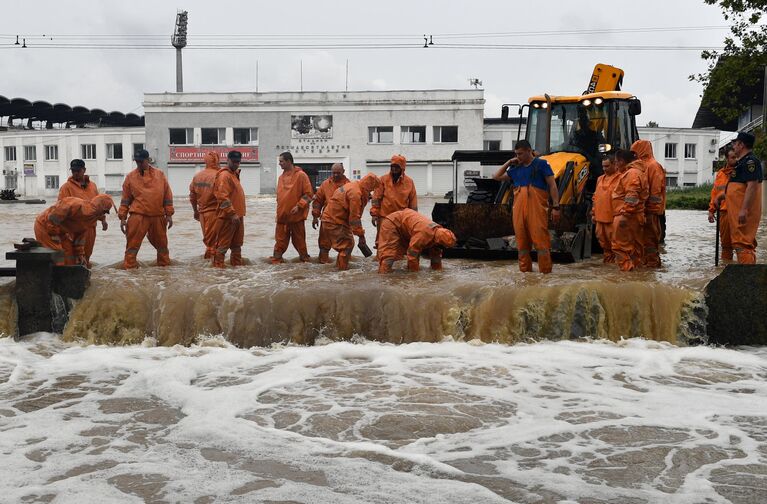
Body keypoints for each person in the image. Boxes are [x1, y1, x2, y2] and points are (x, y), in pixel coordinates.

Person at [492, 140, 560, 273]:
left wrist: (556, 207)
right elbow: (496, 176)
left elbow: (552, 185)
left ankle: (545, 276)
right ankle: (525, 276)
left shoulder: (541, 164)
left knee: (541, 245)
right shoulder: (515, 168)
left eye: (521, 154)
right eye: (516, 154)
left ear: (529, 151)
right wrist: (509, 162)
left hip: (537, 211)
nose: (518, 157)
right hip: (519, 212)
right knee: (522, 246)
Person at [118, 149, 174, 269]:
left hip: (157, 216)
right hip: (138, 216)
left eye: (141, 161)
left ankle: (164, 273)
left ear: (147, 160)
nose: (138, 164)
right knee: (132, 248)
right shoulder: (130, 177)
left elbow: (167, 196)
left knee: (163, 247)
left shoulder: (160, 175)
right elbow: (125, 200)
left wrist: (169, 215)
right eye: (136, 162)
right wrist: (123, 218)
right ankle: (130, 272)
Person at [718, 131, 763, 264]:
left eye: (735, 144)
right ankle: (742, 278)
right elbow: (738, 189)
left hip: (742, 213)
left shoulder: (750, 162)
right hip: (736, 212)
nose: (734, 147)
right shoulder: (742, 163)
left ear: (741, 145)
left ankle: (747, 281)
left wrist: (744, 209)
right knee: (739, 244)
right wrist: (722, 196)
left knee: (742, 244)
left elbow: (752, 186)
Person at [321, 173, 380, 270]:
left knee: (346, 244)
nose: (372, 192)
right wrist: (361, 236)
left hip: (331, 219)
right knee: (346, 246)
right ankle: (341, 271)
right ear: (368, 186)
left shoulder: (353, 186)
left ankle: (338, 267)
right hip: (335, 221)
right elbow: (354, 218)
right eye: (372, 189)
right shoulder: (356, 194)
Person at [34, 195, 115, 266]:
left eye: (106, 212)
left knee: (70, 256)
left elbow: (80, 236)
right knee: (58, 255)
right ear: (99, 206)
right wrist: (54, 234)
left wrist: (79, 254)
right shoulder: (75, 204)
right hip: (44, 226)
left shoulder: (91, 219)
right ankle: (55, 279)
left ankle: (68, 277)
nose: (104, 214)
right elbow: (53, 218)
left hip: (60, 231)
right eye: (104, 211)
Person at [57, 159, 107, 267]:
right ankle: (74, 277)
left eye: (78, 171)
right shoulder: (66, 188)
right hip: (74, 228)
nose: (75, 173)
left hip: (90, 227)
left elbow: (96, 206)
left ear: (84, 170)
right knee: (73, 255)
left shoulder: (92, 186)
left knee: (87, 254)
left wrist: (103, 219)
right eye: (73, 171)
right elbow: (60, 209)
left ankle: (85, 277)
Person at [377, 208, 457, 273]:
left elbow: (436, 257)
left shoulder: (438, 236)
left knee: (399, 256)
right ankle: (383, 277)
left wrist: (438, 273)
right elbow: (412, 256)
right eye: (443, 247)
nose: (442, 249)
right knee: (389, 255)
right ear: (438, 242)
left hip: (404, 226)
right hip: (392, 223)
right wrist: (414, 276)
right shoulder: (423, 234)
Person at [272, 151, 313, 264]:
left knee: (300, 243)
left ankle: (305, 264)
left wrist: (299, 206)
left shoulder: (301, 175)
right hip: (282, 217)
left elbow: (309, 195)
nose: (279, 163)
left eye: (281, 161)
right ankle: (276, 266)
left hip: (296, 217)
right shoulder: (281, 177)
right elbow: (279, 197)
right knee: (279, 243)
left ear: (289, 161)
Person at [610, 149, 648, 271]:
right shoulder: (636, 172)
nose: (615, 165)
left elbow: (632, 195)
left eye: (616, 162)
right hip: (633, 216)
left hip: (626, 217)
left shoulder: (631, 174)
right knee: (634, 250)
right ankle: (635, 276)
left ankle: (626, 276)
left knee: (620, 248)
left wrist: (625, 213)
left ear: (622, 161)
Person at [370, 154, 418, 249]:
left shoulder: (409, 182)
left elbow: (413, 201)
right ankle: (379, 258)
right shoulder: (383, 180)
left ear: (403, 168)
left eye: (397, 167)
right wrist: (374, 214)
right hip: (384, 216)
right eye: (392, 166)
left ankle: (398, 260)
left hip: (401, 218)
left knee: (400, 242)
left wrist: (414, 218)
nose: (394, 169)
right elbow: (376, 198)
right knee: (381, 241)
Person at [631, 139, 666, 267]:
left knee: (650, 243)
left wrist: (651, 212)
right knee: (642, 244)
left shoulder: (653, 166)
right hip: (642, 213)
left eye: (634, 152)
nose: (633, 155)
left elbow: (655, 193)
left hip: (651, 213)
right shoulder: (641, 166)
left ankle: (653, 266)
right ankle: (646, 269)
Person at [212, 151, 246, 268]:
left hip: (237, 217)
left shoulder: (233, 174)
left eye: (238, 162)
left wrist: (237, 215)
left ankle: (236, 270)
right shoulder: (224, 176)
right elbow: (222, 196)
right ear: (228, 160)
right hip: (227, 217)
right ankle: (218, 270)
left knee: (237, 245)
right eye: (234, 162)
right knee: (222, 246)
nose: (236, 164)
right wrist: (232, 213)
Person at [311, 163, 350, 264]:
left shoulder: (348, 185)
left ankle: (342, 268)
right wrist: (315, 216)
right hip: (326, 219)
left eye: (338, 173)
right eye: (334, 173)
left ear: (343, 172)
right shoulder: (325, 184)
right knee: (324, 245)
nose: (336, 175)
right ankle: (324, 266)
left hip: (341, 221)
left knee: (345, 246)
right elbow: (318, 201)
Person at [189, 151, 221, 259]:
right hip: (215, 213)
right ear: (217, 160)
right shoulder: (219, 175)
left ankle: (207, 267)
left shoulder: (197, 176)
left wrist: (195, 211)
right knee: (214, 242)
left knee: (208, 240)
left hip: (202, 213)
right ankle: (213, 268)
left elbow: (192, 196)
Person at [708, 147, 737, 261]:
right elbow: (714, 193)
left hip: (737, 212)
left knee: (741, 244)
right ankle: (725, 268)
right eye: (733, 157)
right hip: (724, 212)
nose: (735, 160)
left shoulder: (741, 172)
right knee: (725, 245)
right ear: (727, 159)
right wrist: (711, 211)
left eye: (737, 157)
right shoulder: (720, 174)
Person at [592, 155, 621, 263]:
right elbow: (595, 197)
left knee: (617, 247)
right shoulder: (600, 179)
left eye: (607, 166)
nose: (604, 169)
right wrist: (593, 213)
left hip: (613, 220)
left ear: (615, 164)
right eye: (603, 166)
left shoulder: (621, 178)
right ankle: (608, 268)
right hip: (600, 219)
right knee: (604, 246)